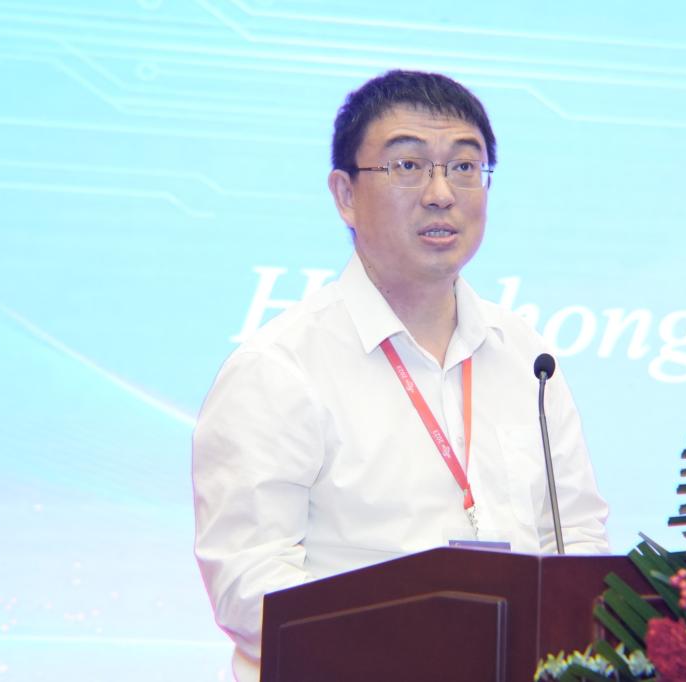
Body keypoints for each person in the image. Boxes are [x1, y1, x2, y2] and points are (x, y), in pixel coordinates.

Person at [192, 70, 610, 681]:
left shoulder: (526, 357)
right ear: (345, 194)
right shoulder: (279, 369)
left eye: (464, 167)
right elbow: (249, 584)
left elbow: (575, 541)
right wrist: (422, 651)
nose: (441, 193)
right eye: (408, 166)